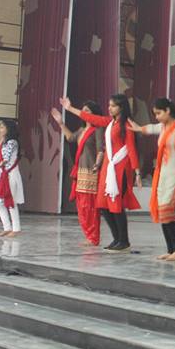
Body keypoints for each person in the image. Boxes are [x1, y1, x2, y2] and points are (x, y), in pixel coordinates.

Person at [60, 94, 140, 252]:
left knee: (116, 205)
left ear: (121, 107)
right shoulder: (110, 122)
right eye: (109, 105)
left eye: (113, 106)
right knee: (103, 205)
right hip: (108, 168)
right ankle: (116, 238)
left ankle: (124, 241)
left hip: (120, 167)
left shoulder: (127, 124)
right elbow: (92, 118)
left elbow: (131, 148)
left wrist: (136, 172)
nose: (109, 108)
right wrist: (69, 109)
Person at [129, 97, 175, 261]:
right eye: (154, 114)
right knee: (163, 211)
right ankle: (171, 250)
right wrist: (137, 128)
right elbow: (149, 128)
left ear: (168, 110)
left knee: (167, 210)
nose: (156, 117)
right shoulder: (162, 127)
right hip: (164, 176)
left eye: (158, 113)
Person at [51, 101, 105, 246]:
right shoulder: (82, 130)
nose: (85, 113)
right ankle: (89, 235)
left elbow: (101, 150)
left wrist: (98, 164)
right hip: (81, 171)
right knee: (81, 206)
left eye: (88, 110)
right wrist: (61, 123)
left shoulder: (98, 130)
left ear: (95, 114)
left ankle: (94, 237)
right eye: (83, 110)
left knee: (90, 206)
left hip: (91, 171)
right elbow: (70, 138)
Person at [0, 119, 24, 237]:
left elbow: (5, 158)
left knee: (10, 201)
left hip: (10, 174)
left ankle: (16, 229)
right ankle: (7, 227)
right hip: (3, 175)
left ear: (8, 129)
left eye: (2, 127)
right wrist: (0, 143)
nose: (0, 130)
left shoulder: (12, 142)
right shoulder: (5, 142)